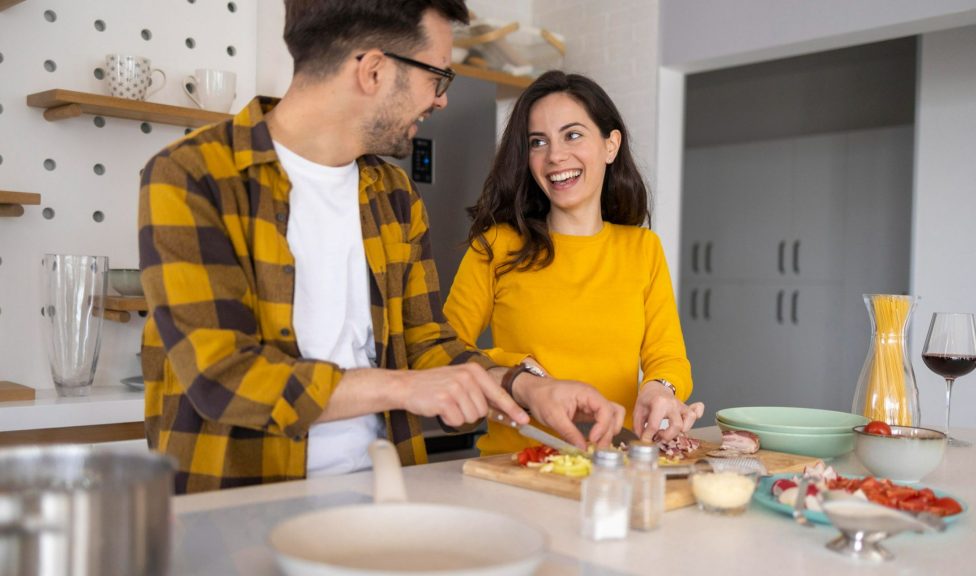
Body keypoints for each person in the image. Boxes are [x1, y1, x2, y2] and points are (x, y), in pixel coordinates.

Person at [138, 1, 624, 494]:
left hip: (384, 495)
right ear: (373, 71)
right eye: (438, 77)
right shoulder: (192, 176)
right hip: (237, 512)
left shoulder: (393, 195)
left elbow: (427, 344)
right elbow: (223, 376)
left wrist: (524, 387)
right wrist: (405, 387)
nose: (441, 101)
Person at [444, 71, 704, 457]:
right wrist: (522, 372)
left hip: (612, 466)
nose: (555, 156)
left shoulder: (643, 248)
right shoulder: (496, 246)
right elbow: (443, 351)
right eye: (538, 142)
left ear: (610, 145)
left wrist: (659, 389)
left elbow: (667, 357)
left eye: (573, 134)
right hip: (516, 467)